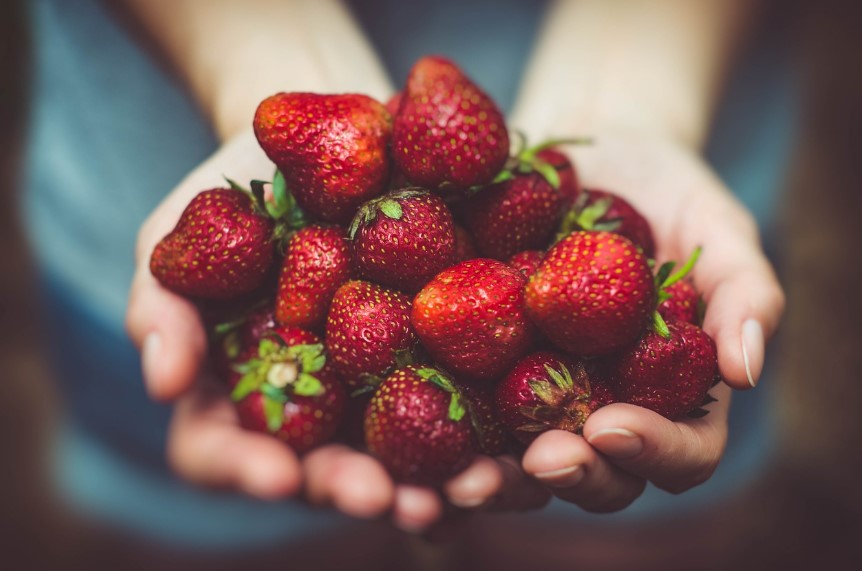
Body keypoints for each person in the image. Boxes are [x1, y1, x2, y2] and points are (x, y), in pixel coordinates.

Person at [24, 0, 786, 550]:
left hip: (685, 83)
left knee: (620, 537)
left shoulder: (529, 274)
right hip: (139, 160)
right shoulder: (378, 268)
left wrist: (632, 101)